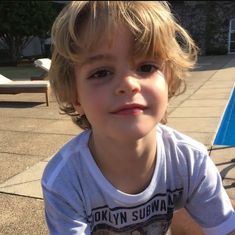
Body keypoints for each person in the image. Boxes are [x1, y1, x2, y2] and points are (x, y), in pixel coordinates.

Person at [41, 1, 235, 234]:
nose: (128, 84)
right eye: (101, 72)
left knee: (187, 213)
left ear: (169, 79)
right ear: (76, 96)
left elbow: (225, 228)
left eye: (146, 67)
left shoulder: (189, 160)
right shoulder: (65, 179)